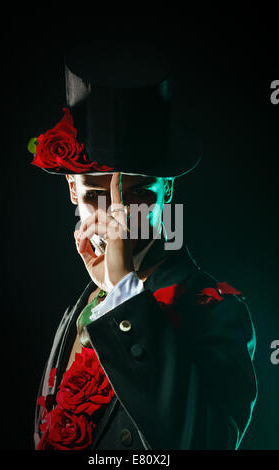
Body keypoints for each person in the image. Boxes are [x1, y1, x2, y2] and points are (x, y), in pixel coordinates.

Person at [31, 40, 257, 450]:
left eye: (138, 193)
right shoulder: (76, 310)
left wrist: (123, 296)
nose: (118, 214)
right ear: (70, 190)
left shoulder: (216, 310)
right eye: (96, 195)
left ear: (167, 191)